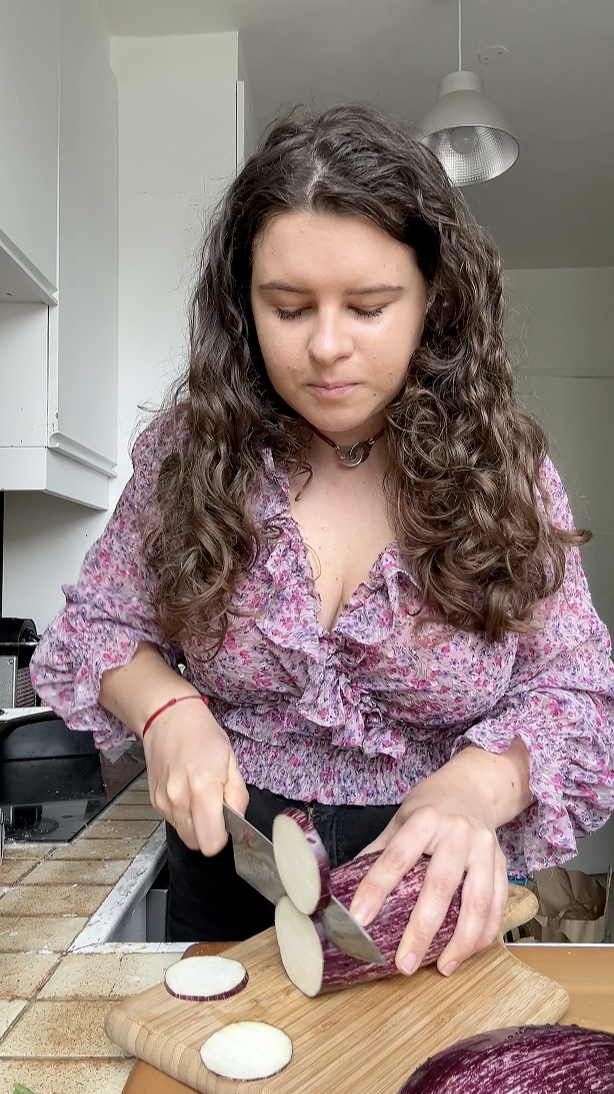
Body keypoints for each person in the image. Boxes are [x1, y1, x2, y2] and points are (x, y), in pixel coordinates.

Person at [31, 104, 614, 979]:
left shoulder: (505, 472)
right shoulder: (191, 454)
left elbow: (576, 685)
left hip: (432, 895)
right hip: (230, 874)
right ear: (244, 305)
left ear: (434, 304)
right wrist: (167, 709)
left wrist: (475, 788)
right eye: (290, 307)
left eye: (370, 307)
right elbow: (100, 629)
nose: (327, 348)